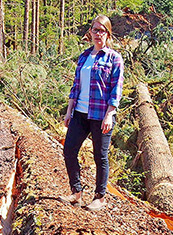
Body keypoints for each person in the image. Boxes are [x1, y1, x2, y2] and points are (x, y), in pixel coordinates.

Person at [59, 15, 124, 212]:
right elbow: (76, 85)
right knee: (69, 150)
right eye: (95, 30)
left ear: (108, 34)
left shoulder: (114, 58)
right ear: (91, 32)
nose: (98, 34)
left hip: (100, 114)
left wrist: (109, 115)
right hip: (80, 112)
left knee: (100, 156)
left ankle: (100, 197)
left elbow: (116, 89)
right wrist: (69, 111)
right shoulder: (84, 56)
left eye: (102, 31)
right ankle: (76, 192)